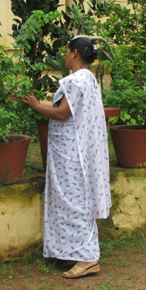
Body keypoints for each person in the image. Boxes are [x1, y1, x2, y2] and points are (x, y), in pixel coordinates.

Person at [22, 37, 111, 278]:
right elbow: (67, 109)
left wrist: (35, 105)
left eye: (66, 50)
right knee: (74, 201)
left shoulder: (75, 80)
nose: (64, 55)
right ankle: (76, 252)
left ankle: (88, 258)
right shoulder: (88, 78)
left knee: (74, 203)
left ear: (74, 54)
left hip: (73, 154)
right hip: (75, 151)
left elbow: (61, 113)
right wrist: (34, 101)